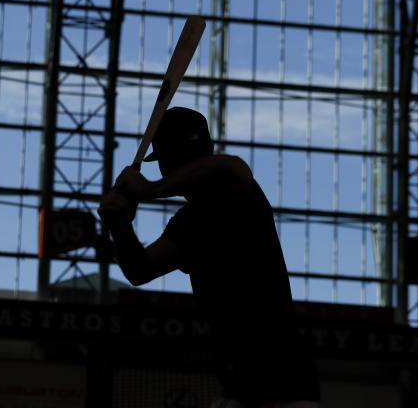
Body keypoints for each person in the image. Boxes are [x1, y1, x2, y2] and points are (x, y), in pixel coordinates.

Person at [98, 107, 321, 408]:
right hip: (241, 385)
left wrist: (150, 190)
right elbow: (140, 270)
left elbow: (231, 167)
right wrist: (120, 226)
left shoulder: (240, 195)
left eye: (165, 161)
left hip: (285, 387)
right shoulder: (190, 222)